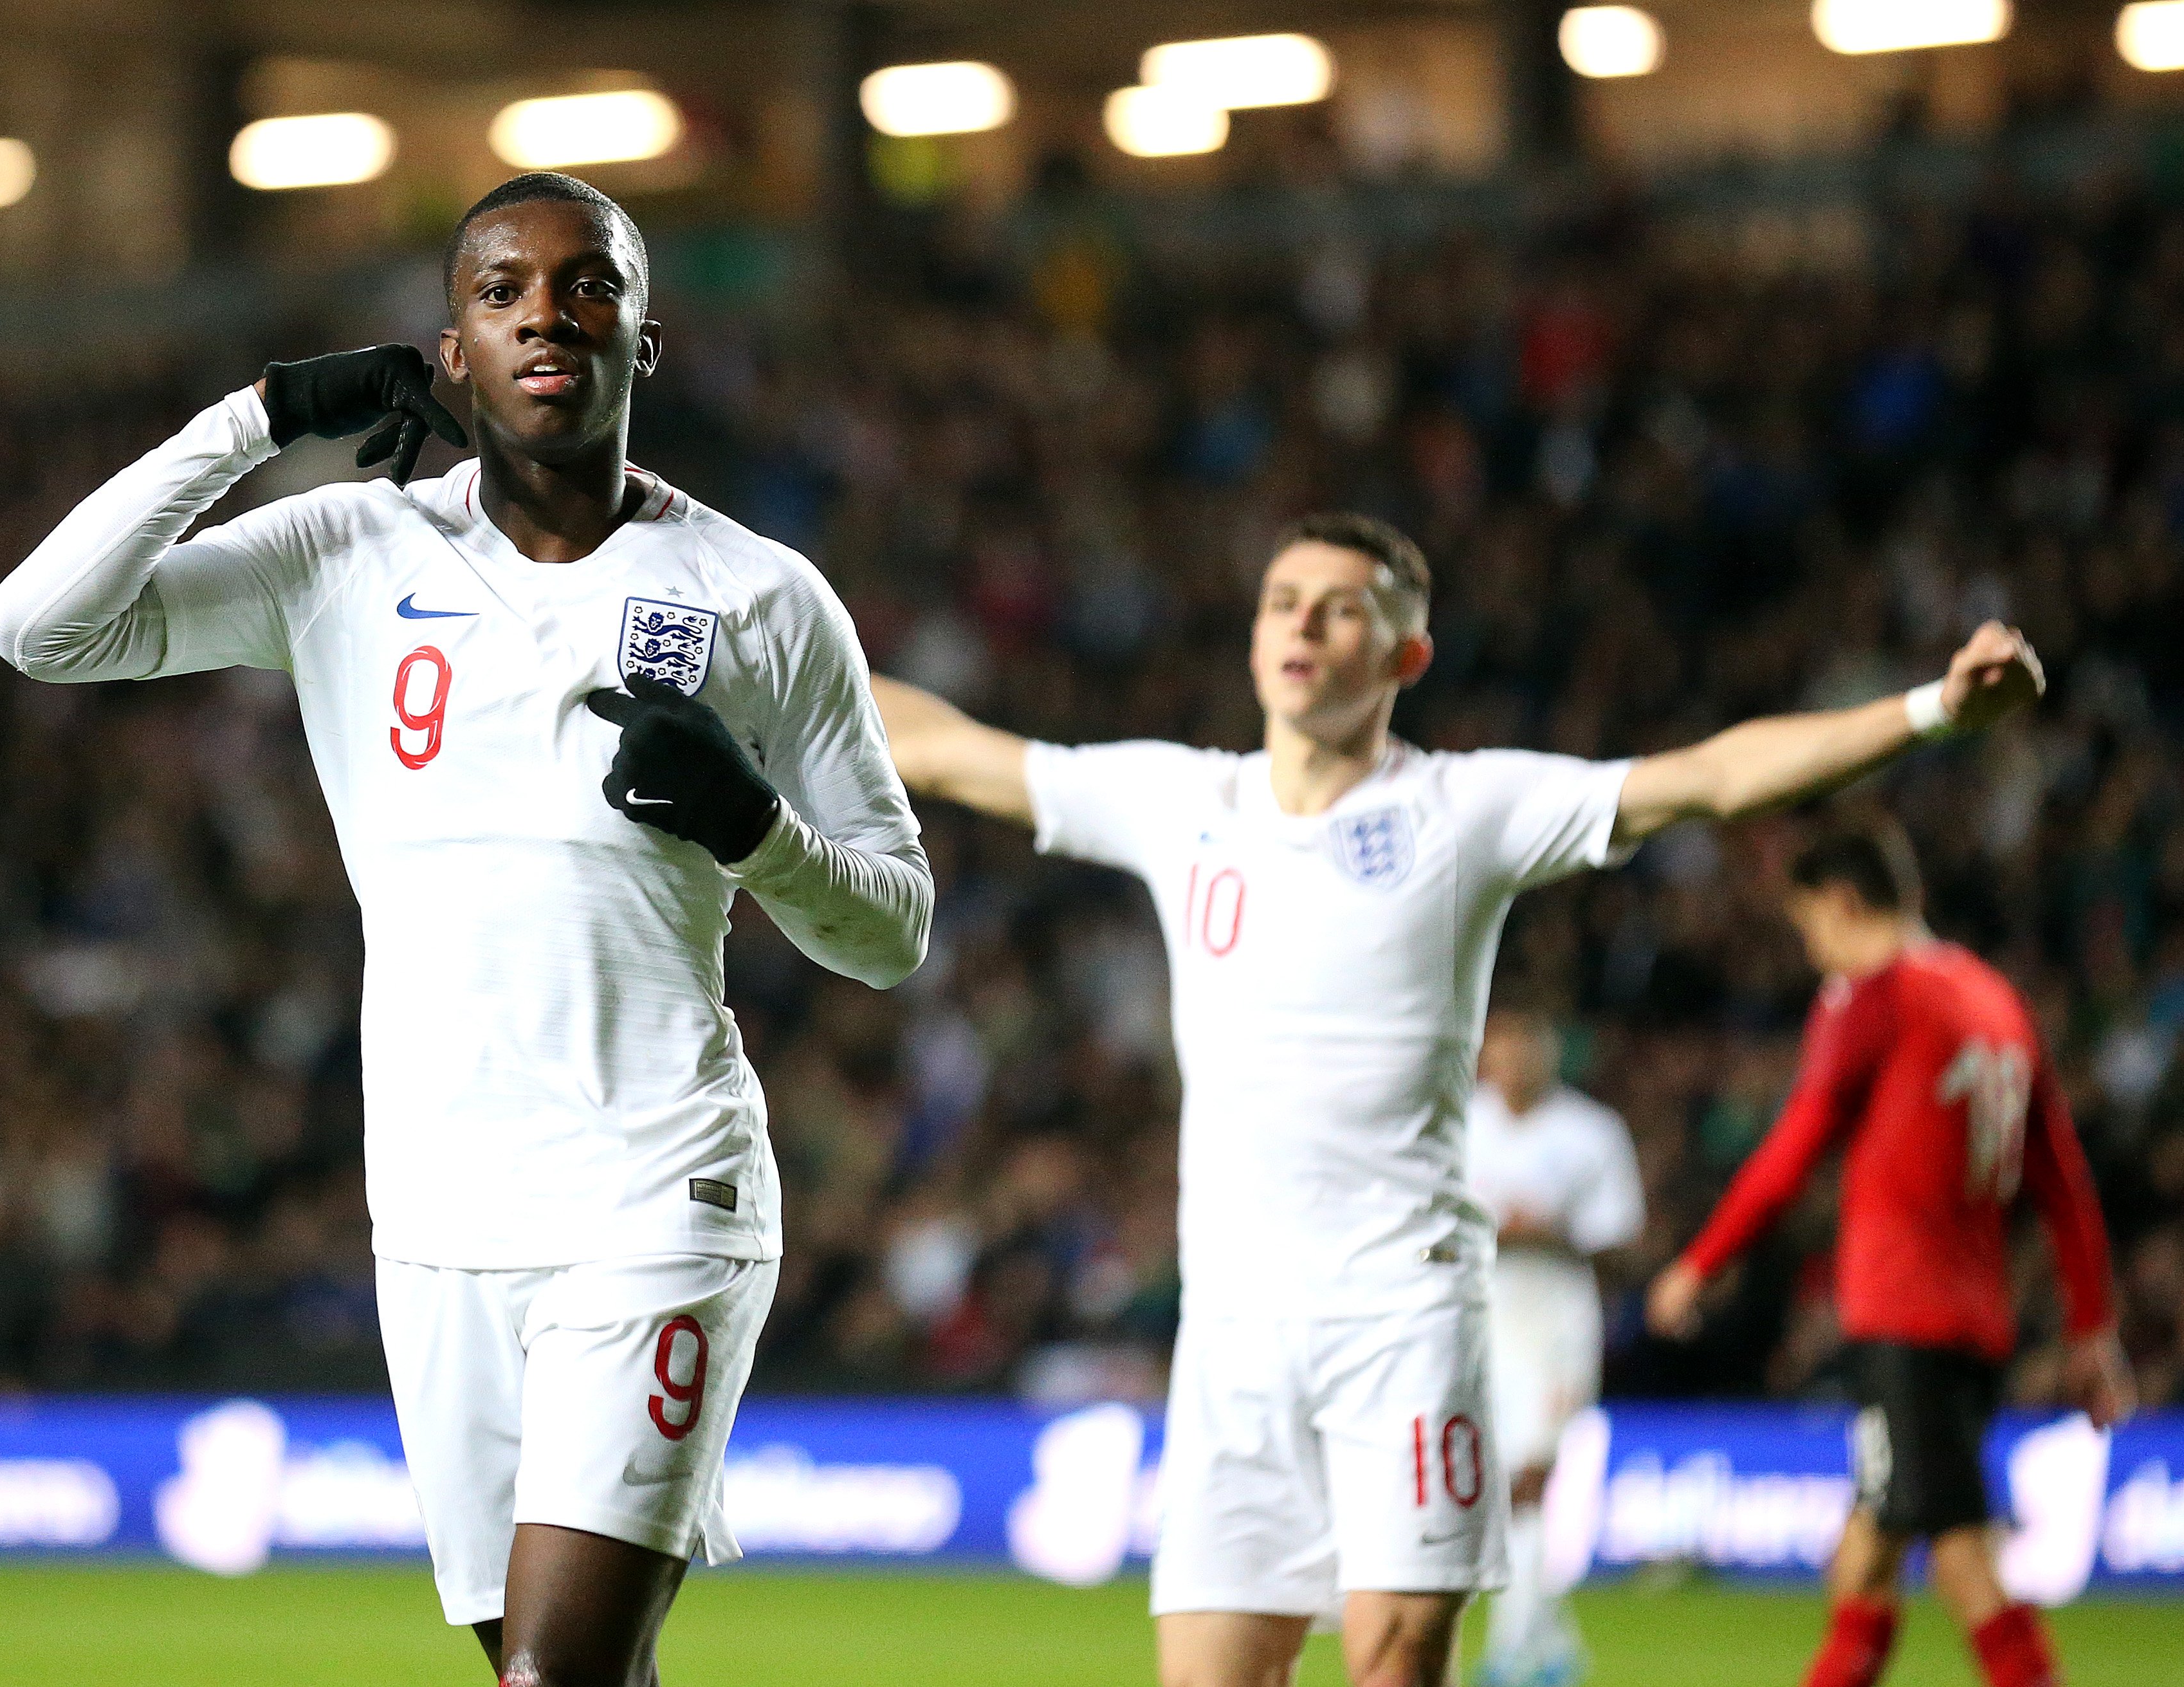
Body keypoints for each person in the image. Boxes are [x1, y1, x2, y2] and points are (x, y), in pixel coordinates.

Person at [0, 173, 930, 1686]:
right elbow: (41, 629)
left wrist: (754, 829)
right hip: (436, 1213)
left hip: (653, 1186)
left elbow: (891, 930)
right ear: (451, 351)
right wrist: (258, 417)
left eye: (586, 285)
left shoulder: (762, 594)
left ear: (647, 340)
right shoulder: (347, 550)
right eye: (502, 292)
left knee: (554, 1673)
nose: (546, 312)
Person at [869, 510, 2044, 1687]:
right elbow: (944, 748)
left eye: (1340, 608)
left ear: (1403, 657)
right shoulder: (1181, 802)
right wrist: (755, 646)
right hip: (1230, 1332)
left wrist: (1932, 709)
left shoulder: (1463, 809)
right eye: (1282, 600)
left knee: (1394, 1666)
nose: (1301, 624)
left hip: (1402, 1316)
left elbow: (1709, 780)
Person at [1647, 820, 2131, 1687]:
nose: (1815, 953)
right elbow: (2063, 1181)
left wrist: (1700, 1261)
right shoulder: (1994, 997)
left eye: (1811, 931)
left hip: (1905, 1321)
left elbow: (1794, 1145)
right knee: (1866, 1556)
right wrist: (2091, 1327)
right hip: (1976, 1322)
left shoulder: (1872, 997)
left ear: (1841, 904)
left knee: (1962, 1560)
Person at [1465, 1005, 1643, 1687]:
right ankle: (1553, 1647)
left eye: (1527, 1047)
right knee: (1494, 1490)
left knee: (1530, 1481)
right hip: (1476, 1322)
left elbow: (1623, 1244)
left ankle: (1510, 1655)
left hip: (1555, 1326)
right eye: (1502, 1047)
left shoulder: (1591, 1132)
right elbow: (1423, 1234)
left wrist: (1548, 1234)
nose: (1514, 1061)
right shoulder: (1459, 1123)